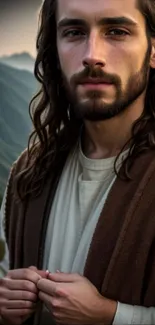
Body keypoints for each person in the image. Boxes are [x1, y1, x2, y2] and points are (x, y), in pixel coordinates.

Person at [1, 0, 155, 324]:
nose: (92, 55)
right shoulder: (28, 177)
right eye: (74, 32)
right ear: (54, 51)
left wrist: (110, 315)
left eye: (117, 31)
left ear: (153, 50)